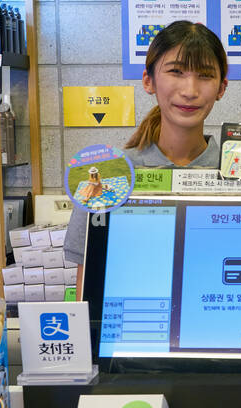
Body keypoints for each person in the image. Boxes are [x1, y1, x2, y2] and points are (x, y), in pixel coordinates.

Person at [65, 21, 228, 282]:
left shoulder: (238, 175)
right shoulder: (105, 175)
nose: (190, 91)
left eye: (205, 75)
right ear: (148, 81)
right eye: (176, 72)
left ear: (221, 87)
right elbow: (88, 290)